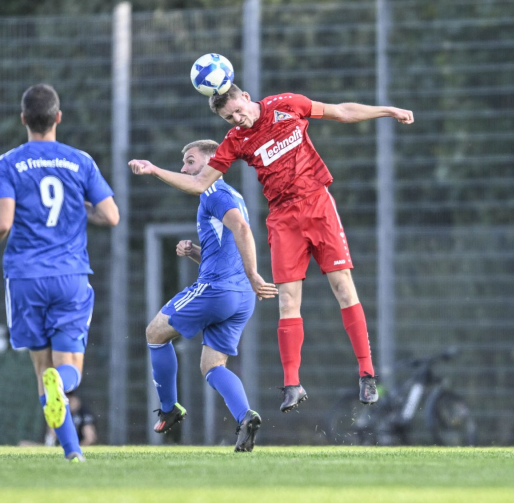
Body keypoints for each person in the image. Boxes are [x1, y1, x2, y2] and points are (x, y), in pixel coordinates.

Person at [128, 85, 414, 413]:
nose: (238, 119)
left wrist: (387, 110)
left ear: (247, 97)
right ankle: (292, 384)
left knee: (344, 288)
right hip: (283, 219)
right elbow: (197, 183)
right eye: (228, 117)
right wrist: (153, 169)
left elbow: (342, 111)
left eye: (238, 110)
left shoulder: (287, 105)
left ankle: (366, 374)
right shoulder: (235, 140)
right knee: (288, 301)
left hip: (318, 205)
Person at [0, 83, 119, 462]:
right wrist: (82, 209)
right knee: (69, 372)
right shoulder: (80, 161)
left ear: (23, 119)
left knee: (41, 369)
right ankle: (65, 411)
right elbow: (111, 215)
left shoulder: (8, 162)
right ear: (58, 118)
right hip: (70, 277)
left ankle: (72, 453)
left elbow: (1, 224)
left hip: (25, 277)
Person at [143, 139, 277, 452]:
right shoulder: (230, 195)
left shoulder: (215, 193)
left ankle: (169, 408)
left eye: (190, 161)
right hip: (240, 297)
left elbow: (243, 230)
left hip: (218, 289)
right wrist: (194, 252)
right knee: (213, 365)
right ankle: (246, 417)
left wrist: (255, 273)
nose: (184, 169)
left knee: (155, 333)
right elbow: (225, 251)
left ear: (213, 160)